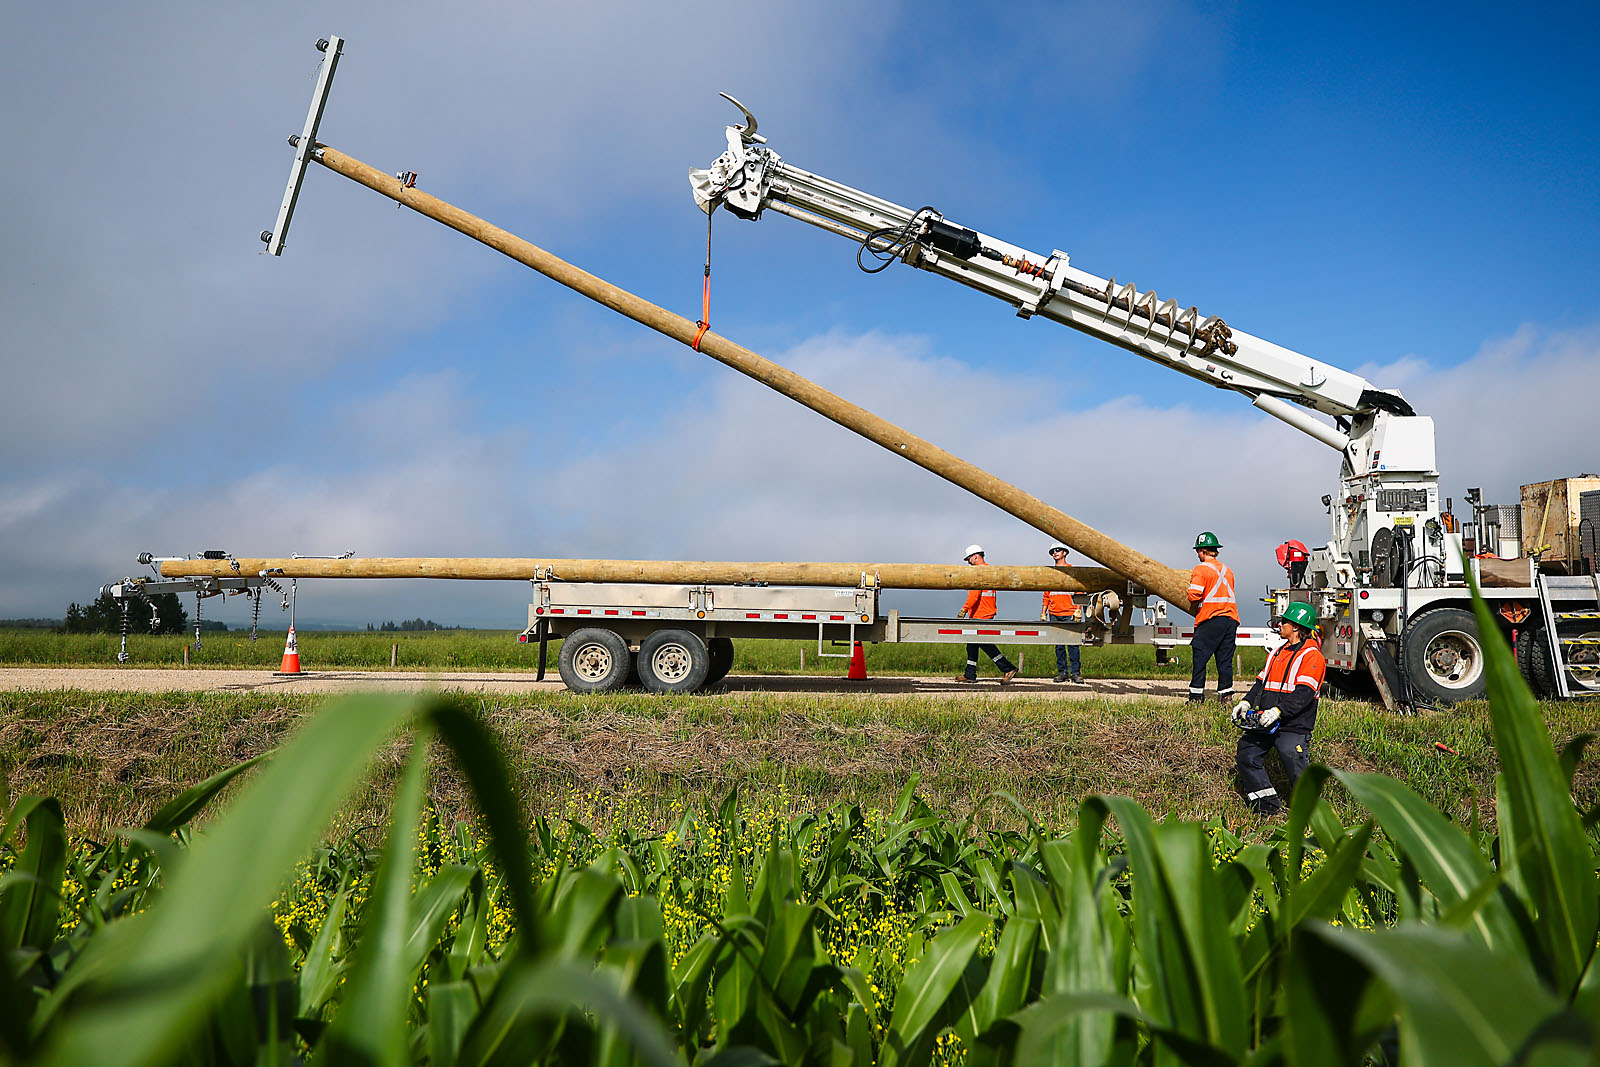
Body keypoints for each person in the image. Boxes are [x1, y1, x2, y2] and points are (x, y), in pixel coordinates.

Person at [1230, 600, 1325, 815]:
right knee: (1247, 753)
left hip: (1294, 724)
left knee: (1292, 757)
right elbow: (1260, 684)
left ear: (1297, 628)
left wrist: (1278, 711)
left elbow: (1304, 694)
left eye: (1284, 622)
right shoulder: (1276, 652)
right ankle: (1268, 808)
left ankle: (1310, 813)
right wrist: (1246, 701)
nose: (1280, 625)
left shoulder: (1312, 656)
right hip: (1267, 720)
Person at [1185, 531, 1238, 704]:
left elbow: (1194, 595)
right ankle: (1226, 697)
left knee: (1200, 657)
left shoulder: (1200, 569)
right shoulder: (1227, 570)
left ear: (1202, 551)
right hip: (1230, 620)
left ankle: (1195, 697)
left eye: (1198, 551)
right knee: (1224, 660)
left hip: (1211, 619)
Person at [956, 544, 1018, 684]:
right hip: (986, 611)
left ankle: (1008, 668)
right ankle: (969, 674)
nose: (968, 562)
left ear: (976, 556)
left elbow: (974, 594)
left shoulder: (979, 572)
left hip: (980, 613)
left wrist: (964, 609)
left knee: (985, 643)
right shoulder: (990, 570)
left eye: (969, 559)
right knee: (972, 644)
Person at [1041, 542, 1083, 683]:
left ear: (1065, 552)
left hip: (1069, 613)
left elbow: (1079, 592)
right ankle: (1062, 673)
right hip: (1054, 613)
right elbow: (1046, 594)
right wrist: (1043, 612)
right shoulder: (1051, 573)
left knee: (1073, 645)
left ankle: (1076, 673)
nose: (1055, 553)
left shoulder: (1072, 571)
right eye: (1053, 551)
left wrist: (1078, 610)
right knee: (1059, 646)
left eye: (1058, 550)